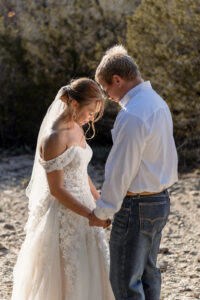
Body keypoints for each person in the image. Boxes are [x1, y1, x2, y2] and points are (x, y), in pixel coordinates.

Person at [11, 78, 114, 300]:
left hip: (87, 207)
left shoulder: (77, 127)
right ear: (75, 104)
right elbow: (56, 189)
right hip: (64, 214)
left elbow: (81, 172)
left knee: (91, 268)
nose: (91, 118)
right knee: (66, 274)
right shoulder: (54, 137)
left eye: (95, 114)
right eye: (90, 112)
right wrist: (90, 215)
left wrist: (101, 202)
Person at [89, 45, 178, 300]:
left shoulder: (133, 114)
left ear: (117, 80)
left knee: (124, 281)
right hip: (160, 200)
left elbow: (120, 170)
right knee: (149, 275)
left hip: (137, 205)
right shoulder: (157, 102)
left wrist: (103, 211)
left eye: (107, 90)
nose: (109, 97)